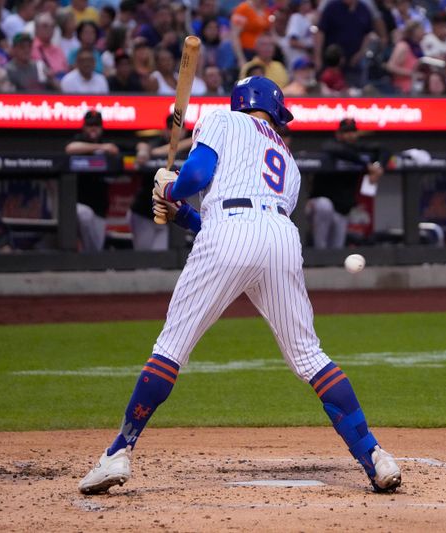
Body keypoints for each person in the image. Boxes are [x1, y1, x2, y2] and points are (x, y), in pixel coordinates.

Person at [77, 76, 401, 495]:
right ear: (274, 110)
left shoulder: (222, 119)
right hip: (281, 239)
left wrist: (171, 187)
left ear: (239, 101)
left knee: (171, 348)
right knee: (309, 356)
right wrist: (179, 213)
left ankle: (118, 452)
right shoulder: (288, 157)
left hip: (232, 233)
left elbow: (199, 176)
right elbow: (242, 215)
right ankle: (375, 457)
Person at [307, 118, 384, 249]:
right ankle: (318, 252)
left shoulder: (358, 149)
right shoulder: (331, 146)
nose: (350, 135)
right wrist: (365, 164)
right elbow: (335, 149)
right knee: (325, 206)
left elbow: (382, 149)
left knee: (337, 248)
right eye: (346, 132)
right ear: (338, 134)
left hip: (342, 209)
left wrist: (378, 166)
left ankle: (331, 264)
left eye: (353, 132)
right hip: (318, 205)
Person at [130, 114, 193, 251]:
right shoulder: (159, 143)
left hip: (167, 218)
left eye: (179, 128)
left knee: (159, 261)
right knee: (143, 258)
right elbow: (152, 150)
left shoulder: (192, 148)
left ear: (185, 130)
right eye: (171, 128)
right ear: (165, 130)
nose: (175, 131)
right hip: (144, 213)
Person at [64, 110, 119, 251]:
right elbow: (70, 149)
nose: (93, 128)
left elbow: (125, 150)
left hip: (100, 209)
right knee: (85, 214)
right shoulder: (79, 140)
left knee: (95, 250)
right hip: (76, 205)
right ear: (84, 127)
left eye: (96, 125)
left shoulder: (107, 142)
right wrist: (100, 148)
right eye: (90, 125)